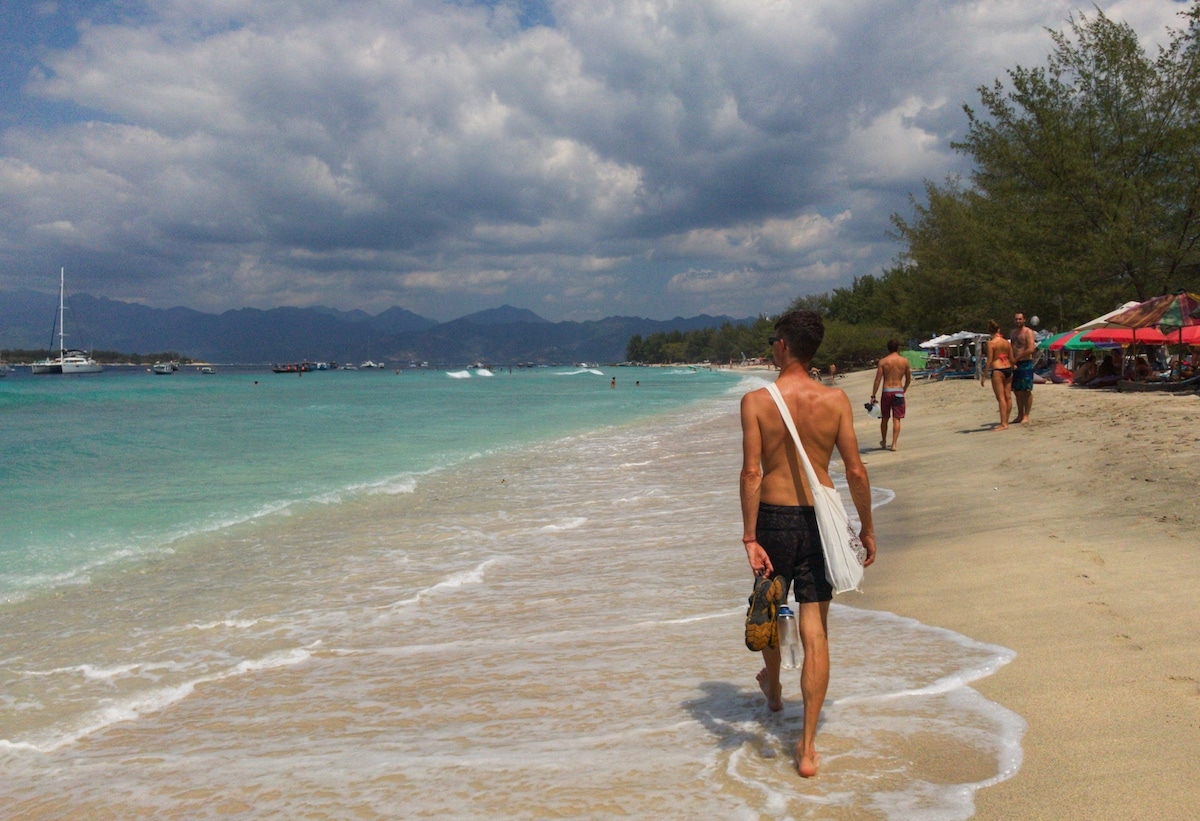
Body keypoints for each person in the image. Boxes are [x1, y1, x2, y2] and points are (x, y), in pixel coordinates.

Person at [740, 310, 877, 778]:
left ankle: (775, 690)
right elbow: (856, 471)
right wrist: (867, 527)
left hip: (775, 522)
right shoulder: (836, 400)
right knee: (815, 631)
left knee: (772, 608)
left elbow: (753, 472)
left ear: (782, 345)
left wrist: (750, 535)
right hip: (822, 523)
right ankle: (808, 749)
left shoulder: (756, 402)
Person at [870, 340, 913, 451]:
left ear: (888, 348)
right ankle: (894, 444)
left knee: (884, 418)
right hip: (898, 391)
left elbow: (877, 380)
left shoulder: (883, 362)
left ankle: (884, 441)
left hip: (887, 391)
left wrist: (873, 395)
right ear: (898, 348)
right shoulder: (904, 361)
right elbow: (908, 379)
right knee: (896, 419)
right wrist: (904, 389)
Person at [982, 320, 1014, 430]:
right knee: (1008, 397)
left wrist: (984, 375)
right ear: (998, 330)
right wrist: (1013, 366)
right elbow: (1011, 358)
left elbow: (990, 360)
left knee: (1001, 398)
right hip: (1008, 368)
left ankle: (1003, 423)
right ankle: (1006, 421)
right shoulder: (1006, 343)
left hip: (998, 370)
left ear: (989, 332)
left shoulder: (990, 343)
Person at [1010, 312, 1037, 423]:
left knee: (1026, 390)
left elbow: (1031, 349)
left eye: (1020, 319)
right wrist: (1011, 360)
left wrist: (1016, 358)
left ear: (1024, 320)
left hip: (1026, 363)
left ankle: (1026, 415)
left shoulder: (1028, 332)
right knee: (1017, 390)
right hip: (1015, 364)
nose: (1018, 321)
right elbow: (1011, 348)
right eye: (1016, 319)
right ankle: (1020, 414)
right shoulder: (1012, 333)